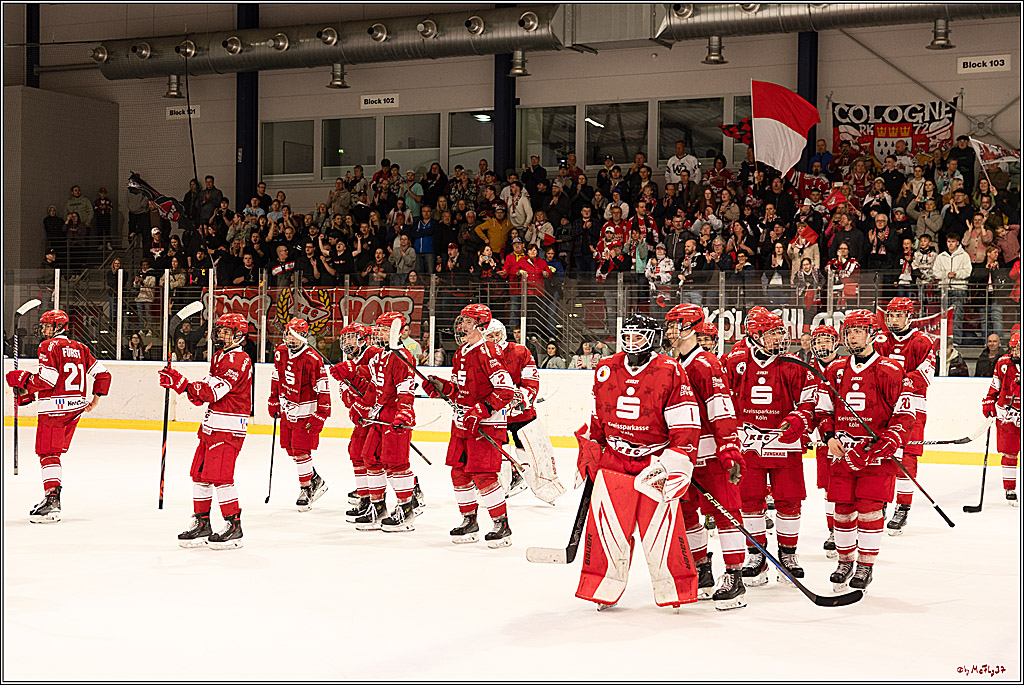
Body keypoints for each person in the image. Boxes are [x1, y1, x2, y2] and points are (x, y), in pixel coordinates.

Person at [573, 314, 702, 609]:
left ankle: (675, 591)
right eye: (628, 336)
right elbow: (598, 415)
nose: (632, 343)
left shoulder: (670, 370)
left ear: (653, 338)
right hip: (615, 459)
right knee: (608, 529)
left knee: (662, 531)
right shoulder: (606, 368)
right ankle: (602, 587)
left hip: (654, 461)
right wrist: (592, 450)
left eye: (639, 336)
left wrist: (678, 462)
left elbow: (685, 422)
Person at [815, 310, 917, 591]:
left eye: (859, 331)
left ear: (873, 334)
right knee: (843, 509)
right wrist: (828, 436)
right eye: (849, 332)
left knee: (870, 510)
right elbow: (823, 409)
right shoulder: (835, 369)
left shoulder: (891, 370)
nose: (852, 336)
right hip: (842, 454)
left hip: (875, 457)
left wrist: (884, 443)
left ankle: (865, 566)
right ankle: (845, 561)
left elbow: (905, 416)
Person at [722, 307, 818, 586]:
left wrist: (798, 420)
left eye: (779, 333)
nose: (779, 339)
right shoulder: (734, 362)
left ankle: (787, 555)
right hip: (748, 444)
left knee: (789, 500)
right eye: (771, 334)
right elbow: (722, 400)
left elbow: (810, 402)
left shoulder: (794, 364)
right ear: (754, 335)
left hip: (784, 443)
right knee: (750, 500)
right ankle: (757, 555)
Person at [664, 304, 748, 609]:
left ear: (694, 327)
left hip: (711, 454)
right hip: (682, 457)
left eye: (678, 324)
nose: (672, 330)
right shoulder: (672, 363)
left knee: (726, 514)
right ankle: (702, 571)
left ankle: (735, 576)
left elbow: (721, 409)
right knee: (686, 515)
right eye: (670, 324)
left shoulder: (706, 363)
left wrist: (729, 449)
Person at [422, 304, 517, 547]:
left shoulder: (490, 351)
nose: (461, 326)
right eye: (461, 320)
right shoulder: (461, 352)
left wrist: (482, 409)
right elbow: (458, 389)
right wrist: (442, 388)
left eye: (467, 321)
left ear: (482, 326)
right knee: (459, 472)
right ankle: (469, 521)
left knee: (484, 475)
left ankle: (501, 524)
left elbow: (506, 391)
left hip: (486, 424)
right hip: (462, 423)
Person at [5, 310, 111, 523]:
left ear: (58, 327)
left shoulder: (48, 346)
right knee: (52, 453)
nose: (43, 329)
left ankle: (52, 501)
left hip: (54, 410)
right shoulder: (81, 348)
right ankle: (51, 497)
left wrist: (23, 380)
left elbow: (47, 380)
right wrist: (95, 399)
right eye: (43, 325)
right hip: (74, 409)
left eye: (47, 326)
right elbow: (103, 374)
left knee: (48, 453)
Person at [159, 313, 252, 549]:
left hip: (228, 429)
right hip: (211, 426)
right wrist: (181, 385)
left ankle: (234, 525)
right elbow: (202, 395)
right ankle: (202, 523)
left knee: (220, 477)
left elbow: (212, 393)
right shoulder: (220, 357)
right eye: (219, 330)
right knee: (200, 474)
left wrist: (181, 384)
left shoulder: (239, 359)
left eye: (225, 331)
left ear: (238, 334)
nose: (219, 334)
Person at [331, 312, 422, 531]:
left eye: (384, 329)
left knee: (396, 463)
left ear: (395, 332)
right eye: (378, 328)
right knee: (369, 457)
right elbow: (373, 388)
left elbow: (406, 391)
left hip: (394, 418)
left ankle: (406, 509)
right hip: (378, 416)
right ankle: (377, 506)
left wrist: (404, 414)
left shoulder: (403, 357)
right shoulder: (379, 356)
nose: (378, 333)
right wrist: (360, 407)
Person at [483, 320, 565, 504]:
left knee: (533, 449)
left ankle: (546, 488)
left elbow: (531, 380)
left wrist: (521, 397)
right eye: (490, 335)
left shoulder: (520, 351)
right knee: (499, 452)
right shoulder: (480, 355)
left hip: (521, 411)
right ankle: (500, 487)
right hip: (495, 413)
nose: (495, 338)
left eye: (497, 334)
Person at [873, 297, 936, 535]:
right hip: (883, 407)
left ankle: (903, 506)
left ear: (910, 316)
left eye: (899, 315)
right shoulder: (880, 340)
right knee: (882, 456)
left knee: (907, 460)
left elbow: (925, 376)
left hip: (912, 407)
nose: (894, 320)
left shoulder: (922, 342)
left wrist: (893, 382)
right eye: (890, 315)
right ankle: (880, 502)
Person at [268, 318, 330, 512]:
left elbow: (323, 388)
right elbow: (276, 376)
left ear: (304, 336)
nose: (290, 339)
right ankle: (314, 479)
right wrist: (273, 399)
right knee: (291, 449)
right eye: (288, 334)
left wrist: (321, 413)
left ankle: (306, 488)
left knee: (301, 450)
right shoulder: (280, 352)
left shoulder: (313, 358)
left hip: (306, 412)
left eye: (295, 335)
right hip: (288, 409)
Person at [808, 325, 841, 558]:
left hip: (846, 437)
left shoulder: (846, 367)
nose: (822, 345)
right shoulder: (805, 369)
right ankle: (833, 530)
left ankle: (850, 526)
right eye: (818, 341)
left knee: (846, 486)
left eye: (827, 341)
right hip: (822, 438)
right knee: (829, 487)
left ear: (836, 344)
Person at [982, 330, 1020, 505]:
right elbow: (995, 385)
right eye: (1013, 349)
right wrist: (989, 400)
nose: (1015, 353)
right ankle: (1009, 488)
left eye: (1018, 349)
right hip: (1007, 414)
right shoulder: (1003, 362)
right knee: (1009, 453)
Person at [930, 234, 972, 345]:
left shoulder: (964, 256)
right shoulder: (941, 256)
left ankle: (955, 341)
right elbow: (935, 272)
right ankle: (944, 341)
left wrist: (956, 274)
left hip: (959, 288)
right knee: (944, 317)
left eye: (953, 241)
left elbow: (968, 271)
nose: (950, 244)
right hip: (944, 290)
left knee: (957, 316)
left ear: (958, 242)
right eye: (949, 241)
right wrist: (946, 275)